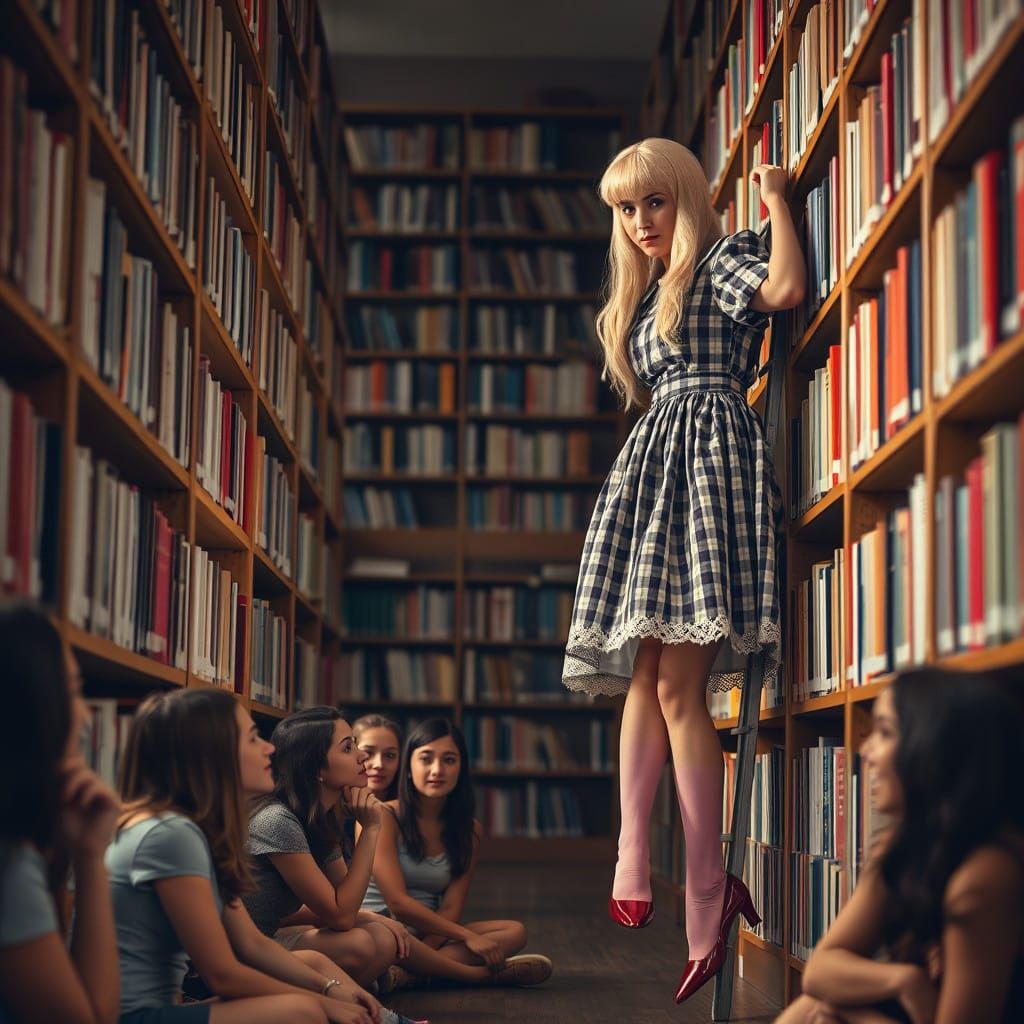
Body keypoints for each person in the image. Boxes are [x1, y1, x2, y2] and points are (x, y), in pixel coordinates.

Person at [560, 136, 805, 1003]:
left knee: (677, 689)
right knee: (647, 677)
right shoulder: (642, 294)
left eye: (653, 203)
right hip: (656, 473)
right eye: (626, 210)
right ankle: (639, 852)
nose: (640, 222)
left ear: (690, 198)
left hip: (706, 467)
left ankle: (702, 890)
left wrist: (777, 200)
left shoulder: (730, 255)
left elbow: (785, 291)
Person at [107, 687, 385, 1024]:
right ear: (216, 755)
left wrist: (329, 988)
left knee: (316, 986)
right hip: (141, 1014)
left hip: (172, 1002)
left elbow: (252, 943)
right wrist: (322, 1000)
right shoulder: (172, 835)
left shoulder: (198, 830)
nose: (270, 748)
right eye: (254, 739)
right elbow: (222, 974)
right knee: (303, 1012)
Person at [776, 669, 1024, 1024]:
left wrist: (854, 1015)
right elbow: (819, 971)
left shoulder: (987, 875)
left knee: (819, 1012)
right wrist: (904, 980)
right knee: (810, 1009)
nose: (866, 750)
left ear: (937, 749)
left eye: (886, 732)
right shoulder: (903, 847)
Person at [247, 708, 540, 991]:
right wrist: (372, 828)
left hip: (288, 937)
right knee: (367, 942)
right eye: (349, 748)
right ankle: (471, 976)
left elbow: (343, 903)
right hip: (253, 947)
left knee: (382, 938)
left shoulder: (320, 820)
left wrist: (376, 920)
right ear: (316, 768)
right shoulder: (278, 820)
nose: (363, 756)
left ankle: (407, 976)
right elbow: (342, 915)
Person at [363, 718, 553, 989]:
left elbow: (452, 908)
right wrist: (465, 937)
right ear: (408, 767)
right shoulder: (383, 815)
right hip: (383, 927)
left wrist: (423, 951)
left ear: (461, 769)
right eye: (426, 759)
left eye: (449, 760)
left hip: (431, 932)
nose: (437, 770)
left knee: (514, 932)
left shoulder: (469, 830)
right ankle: (478, 975)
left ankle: (409, 974)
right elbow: (398, 903)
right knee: (396, 941)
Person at [0, 601, 121, 1024]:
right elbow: (96, 1017)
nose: (87, 716)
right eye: (72, 690)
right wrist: (91, 857)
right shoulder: (9, 864)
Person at [353, 716, 402, 802]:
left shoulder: (411, 812)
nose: (378, 764)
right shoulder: (330, 810)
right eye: (368, 753)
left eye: (389, 755)